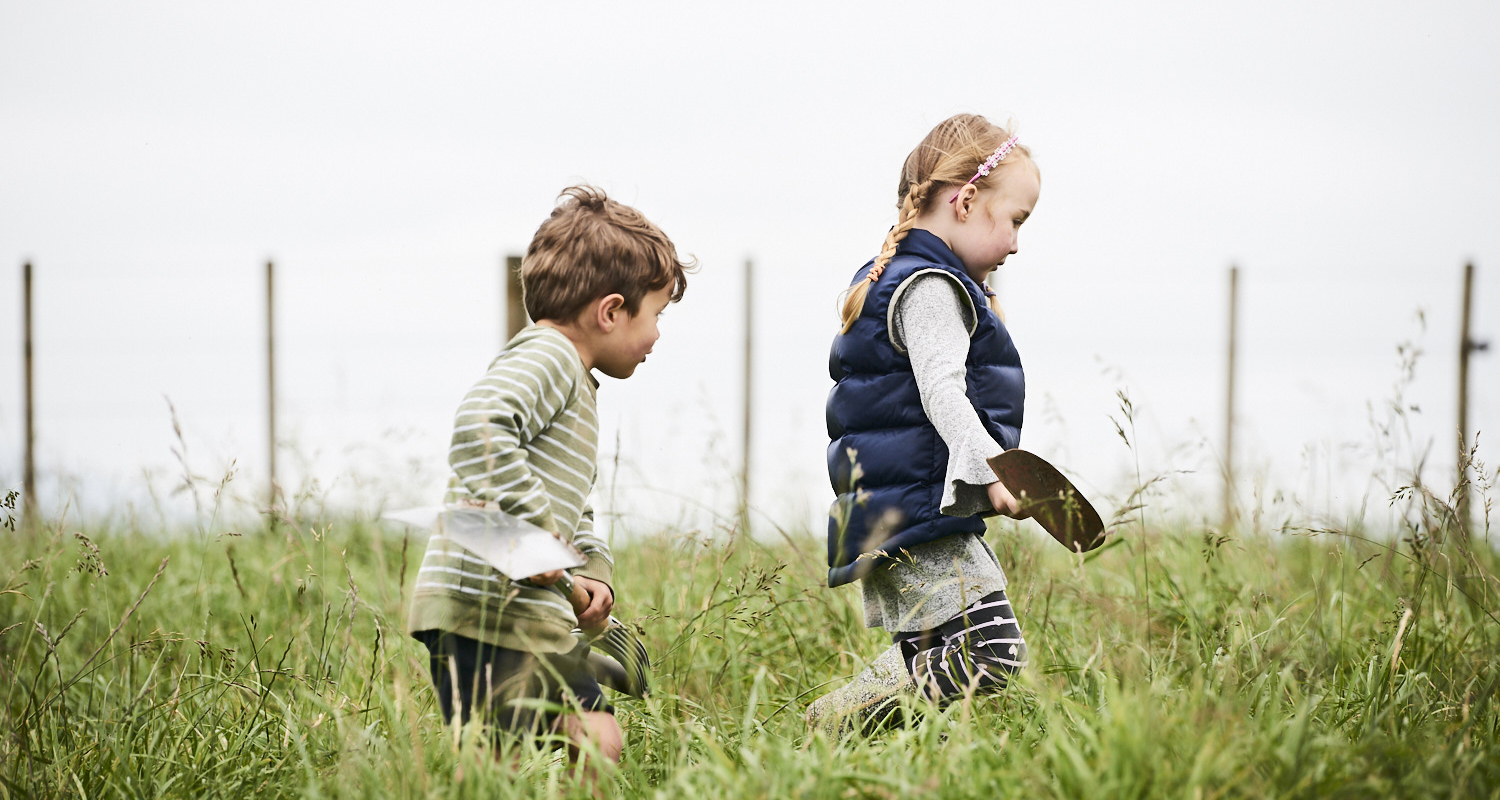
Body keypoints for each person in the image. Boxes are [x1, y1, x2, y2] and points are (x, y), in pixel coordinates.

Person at [407, 185, 693, 768]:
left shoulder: (572, 382)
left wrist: (592, 573)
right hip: (487, 607)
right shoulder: (548, 356)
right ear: (611, 311)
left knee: (503, 764)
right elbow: (480, 427)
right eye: (655, 315)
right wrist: (533, 540)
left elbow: (573, 508)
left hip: (506, 610)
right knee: (594, 739)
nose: (658, 336)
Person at [811, 114, 1041, 735]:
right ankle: (835, 720)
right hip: (917, 515)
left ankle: (852, 740)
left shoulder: (895, 275)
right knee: (992, 654)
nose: (1018, 242)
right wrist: (990, 470)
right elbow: (943, 392)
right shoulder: (931, 286)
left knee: (944, 657)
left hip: (906, 510)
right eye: (1016, 220)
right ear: (966, 201)